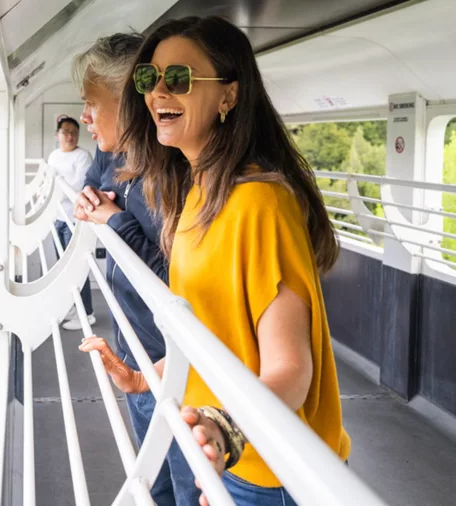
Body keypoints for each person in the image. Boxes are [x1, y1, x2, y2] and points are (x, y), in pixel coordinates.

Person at [80, 15, 350, 506]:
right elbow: (211, 334)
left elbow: (291, 370)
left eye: (179, 78)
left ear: (228, 95)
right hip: (233, 457)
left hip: (271, 470)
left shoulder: (259, 203)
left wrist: (225, 430)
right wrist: (143, 377)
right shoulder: (198, 191)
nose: (158, 92)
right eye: (148, 78)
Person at [71, 33, 197, 506]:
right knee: (154, 485)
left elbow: (179, 281)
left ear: (128, 104)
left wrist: (116, 221)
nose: (84, 117)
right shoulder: (119, 157)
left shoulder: (171, 177)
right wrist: (94, 203)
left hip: (175, 366)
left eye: (91, 105)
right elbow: (97, 189)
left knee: (186, 488)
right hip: (138, 352)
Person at [47, 115, 95, 330]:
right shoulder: (54, 156)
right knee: (63, 267)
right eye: (65, 132)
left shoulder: (82, 156)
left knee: (76, 267)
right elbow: (49, 182)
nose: (70, 136)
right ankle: (74, 307)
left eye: (74, 132)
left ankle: (87, 313)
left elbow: (78, 186)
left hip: (75, 220)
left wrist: (56, 192)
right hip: (58, 217)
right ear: (57, 135)